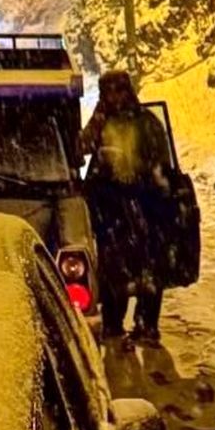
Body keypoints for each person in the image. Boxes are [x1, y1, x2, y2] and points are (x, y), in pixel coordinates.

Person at [80, 70, 173, 342]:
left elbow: (161, 163)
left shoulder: (146, 123)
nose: (113, 97)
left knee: (149, 266)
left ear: (127, 91)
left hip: (144, 204)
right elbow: (81, 148)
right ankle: (112, 323)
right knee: (112, 268)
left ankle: (147, 324)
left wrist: (147, 183)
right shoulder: (102, 123)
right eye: (107, 92)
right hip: (110, 207)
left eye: (118, 91)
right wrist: (97, 124)